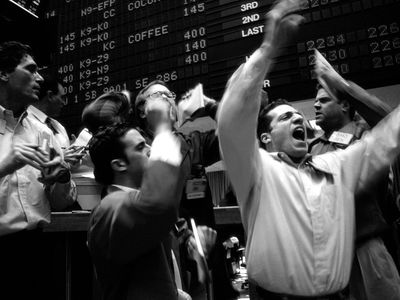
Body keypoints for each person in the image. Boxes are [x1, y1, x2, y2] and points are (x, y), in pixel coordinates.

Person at [217, 0, 400, 298]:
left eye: (297, 114)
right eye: (286, 116)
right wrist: (267, 50)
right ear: (265, 138)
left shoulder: (334, 165)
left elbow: (388, 137)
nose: (300, 115)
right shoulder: (255, 169)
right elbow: (231, 121)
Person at [134, 81, 237, 299]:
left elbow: (237, 131)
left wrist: (210, 106)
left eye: (171, 94)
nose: (170, 98)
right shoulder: (134, 145)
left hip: (201, 245)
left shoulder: (192, 142)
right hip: (160, 248)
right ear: (143, 110)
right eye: (161, 95)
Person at [309, 70, 400, 299]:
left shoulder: (366, 136)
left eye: (324, 100)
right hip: (327, 257)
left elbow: (390, 121)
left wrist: (344, 86)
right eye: (315, 101)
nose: (316, 105)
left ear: (345, 106)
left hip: (366, 247)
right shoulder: (313, 148)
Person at [0, 41, 76, 298]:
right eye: (31, 70)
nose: (40, 78)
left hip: (40, 248)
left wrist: (62, 178)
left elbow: (60, 202)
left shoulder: (43, 131)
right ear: (4, 73)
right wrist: (4, 167)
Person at [87, 123, 188, 299]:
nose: (150, 150)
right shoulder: (110, 206)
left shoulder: (129, 202)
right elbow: (161, 205)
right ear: (119, 164)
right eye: (141, 147)